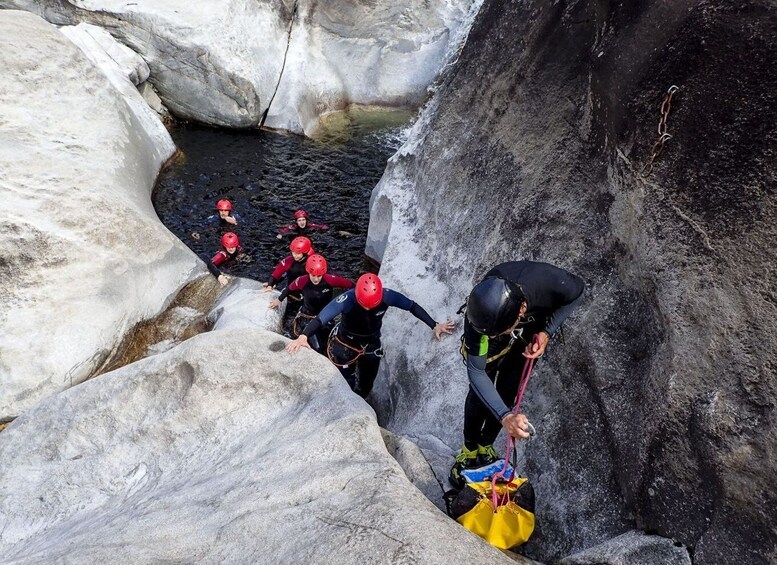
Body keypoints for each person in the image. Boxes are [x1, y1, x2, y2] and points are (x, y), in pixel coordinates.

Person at [449, 260, 585, 488]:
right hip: (503, 328)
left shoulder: (549, 282)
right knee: (481, 389)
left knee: (510, 385)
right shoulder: (480, 314)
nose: (495, 336)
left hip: (528, 331)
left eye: (499, 332)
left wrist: (546, 332)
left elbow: (577, 292)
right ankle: (470, 449)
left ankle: (486, 445)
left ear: (522, 309)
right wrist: (505, 416)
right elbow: (476, 371)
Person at [287, 273, 455, 397]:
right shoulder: (347, 298)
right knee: (345, 380)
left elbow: (412, 306)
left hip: (371, 344)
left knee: (367, 383)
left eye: (371, 306)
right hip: (345, 343)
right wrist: (303, 336)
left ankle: (361, 401)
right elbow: (321, 318)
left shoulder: (387, 296)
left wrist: (434, 325)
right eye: (364, 305)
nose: (367, 308)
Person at [269, 254, 353, 353]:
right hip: (307, 317)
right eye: (313, 275)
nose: (316, 279)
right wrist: (279, 300)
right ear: (308, 271)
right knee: (318, 348)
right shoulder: (301, 281)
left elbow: (350, 285)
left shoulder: (331, 280)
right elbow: (289, 289)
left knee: (330, 346)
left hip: (325, 317)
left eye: (319, 276)